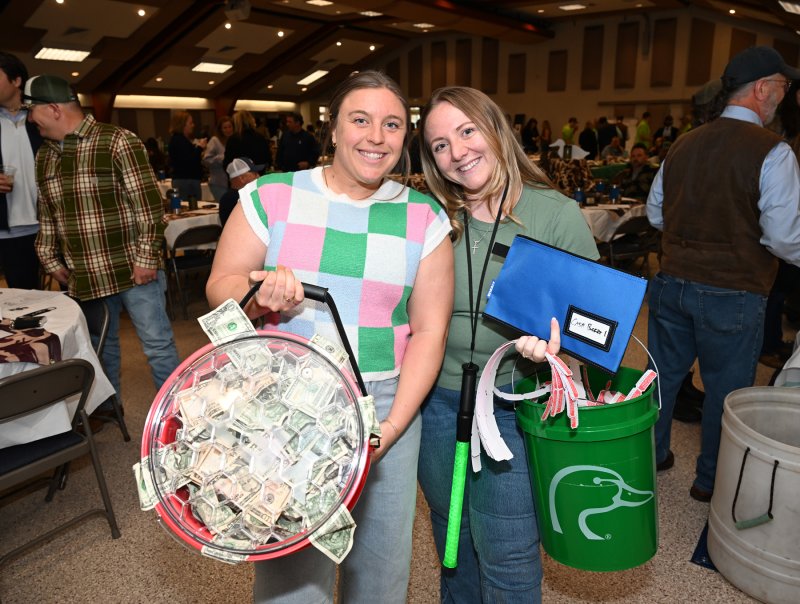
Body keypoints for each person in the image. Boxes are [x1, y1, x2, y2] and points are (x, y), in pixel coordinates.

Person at [206, 70, 454, 604]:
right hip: (286, 407)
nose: (375, 137)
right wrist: (257, 291)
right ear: (334, 130)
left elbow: (431, 330)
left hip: (386, 401)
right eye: (359, 120)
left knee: (382, 569)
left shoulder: (423, 216)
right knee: (293, 572)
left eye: (391, 125)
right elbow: (220, 287)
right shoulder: (272, 196)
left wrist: (389, 427)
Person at [417, 86, 599, 603]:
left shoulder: (554, 214)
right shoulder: (431, 219)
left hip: (514, 405)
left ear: (495, 129)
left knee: (509, 552)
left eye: (467, 131)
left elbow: (595, 329)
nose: (457, 152)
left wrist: (560, 350)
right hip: (435, 402)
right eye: (439, 145)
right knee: (452, 541)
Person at [646, 46, 800, 501]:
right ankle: (710, 480)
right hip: (733, 291)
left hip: (672, 282)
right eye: (783, 87)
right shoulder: (773, 152)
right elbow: (783, 238)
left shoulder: (682, 143)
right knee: (726, 391)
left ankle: (650, 455)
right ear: (761, 89)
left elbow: (657, 215)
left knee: (661, 378)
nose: (784, 96)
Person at [25, 74, 180, 407]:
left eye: (30, 109)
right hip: (86, 274)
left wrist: (146, 259)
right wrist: (52, 261)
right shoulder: (46, 156)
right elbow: (49, 215)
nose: (28, 118)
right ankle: (112, 412)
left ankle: (177, 414)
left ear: (52, 109)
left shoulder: (117, 140)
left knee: (157, 345)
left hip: (132, 269)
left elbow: (149, 206)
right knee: (101, 347)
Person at [0, 51, 42, 290]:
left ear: (16, 81)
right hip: (7, 230)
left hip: (47, 224)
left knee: (65, 297)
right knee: (21, 300)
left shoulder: (42, 117)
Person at [168, 110, 205, 201]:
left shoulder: (179, 140)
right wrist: (200, 148)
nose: (193, 125)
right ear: (182, 124)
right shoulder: (179, 140)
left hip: (185, 180)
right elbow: (190, 161)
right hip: (186, 181)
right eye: (191, 123)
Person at [218, 156, 261, 226]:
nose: (259, 177)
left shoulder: (228, 198)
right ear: (242, 178)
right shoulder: (239, 198)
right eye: (255, 174)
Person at [203, 115, 234, 201]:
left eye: (230, 127)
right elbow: (206, 160)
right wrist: (221, 158)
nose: (228, 130)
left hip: (232, 183)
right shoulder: (215, 141)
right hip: (218, 183)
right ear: (220, 129)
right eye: (225, 127)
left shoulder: (235, 141)